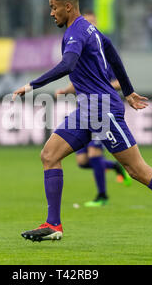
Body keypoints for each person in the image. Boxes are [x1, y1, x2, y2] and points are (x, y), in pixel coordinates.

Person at [12, 0, 152, 246]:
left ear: (67, 6)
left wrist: (32, 85)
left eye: (53, 7)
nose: (51, 13)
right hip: (88, 109)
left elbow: (68, 63)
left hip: (103, 109)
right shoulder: (89, 30)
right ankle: (53, 224)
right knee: (49, 155)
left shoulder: (75, 33)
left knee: (137, 169)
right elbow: (114, 56)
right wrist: (128, 91)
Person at [55, 11, 132, 208]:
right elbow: (80, 80)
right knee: (82, 161)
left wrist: (102, 85)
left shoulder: (103, 52)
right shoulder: (83, 52)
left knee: (95, 155)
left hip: (102, 109)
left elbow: (117, 82)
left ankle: (102, 196)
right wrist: (65, 90)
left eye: (93, 24)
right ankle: (115, 167)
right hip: (84, 111)